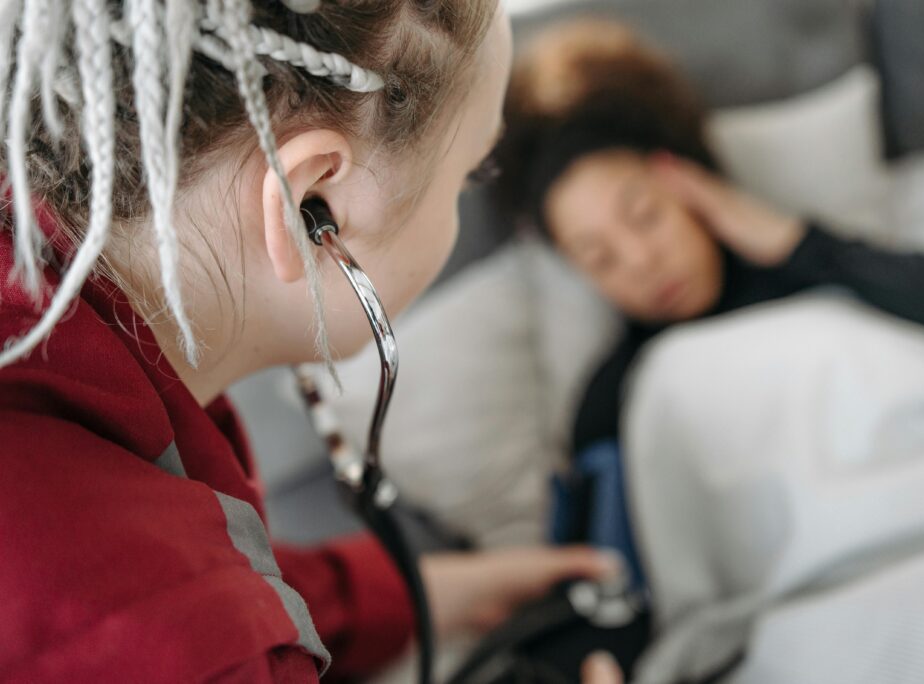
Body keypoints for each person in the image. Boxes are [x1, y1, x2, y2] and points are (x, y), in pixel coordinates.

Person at [0, 2, 623, 682]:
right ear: (313, 204)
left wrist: (413, 594)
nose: (467, 194)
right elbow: (178, 614)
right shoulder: (198, 645)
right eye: (470, 174)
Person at [495, 18, 924, 467]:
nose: (639, 262)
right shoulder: (613, 404)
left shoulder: (824, 269)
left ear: (687, 182)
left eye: (645, 215)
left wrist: (794, 242)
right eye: (599, 257)